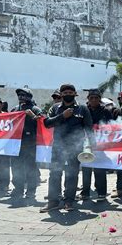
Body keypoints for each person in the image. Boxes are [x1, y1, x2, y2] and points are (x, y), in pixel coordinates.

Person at [40, 84, 94, 212]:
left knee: (72, 174)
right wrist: (62, 116)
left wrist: (92, 145)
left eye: (70, 92)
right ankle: (53, 201)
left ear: (75, 93)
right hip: (58, 146)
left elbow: (89, 128)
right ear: (61, 95)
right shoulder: (55, 108)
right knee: (54, 173)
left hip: (75, 147)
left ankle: (69, 201)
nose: (67, 94)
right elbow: (47, 123)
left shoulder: (82, 109)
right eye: (65, 93)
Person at [78, 89, 112, 201]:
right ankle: (85, 193)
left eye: (96, 98)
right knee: (86, 167)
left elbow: (111, 126)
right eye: (91, 98)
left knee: (100, 168)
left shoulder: (106, 111)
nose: (93, 100)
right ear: (88, 99)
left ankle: (101, 193)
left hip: (100, 143)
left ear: (100, 99)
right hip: (85, 143)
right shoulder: (83, 110)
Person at [10, 88, 43, 200]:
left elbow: (44, 123)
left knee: (31, 169)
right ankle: (18, 190)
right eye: (19, 95)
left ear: (29, 97)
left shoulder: (36, 109)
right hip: (16, 145)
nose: (21, 97)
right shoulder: (15, 109)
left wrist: (33, 116)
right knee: (16, 169)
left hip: (31, 145)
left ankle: (31, 192)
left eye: (23, 95)